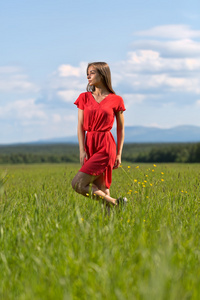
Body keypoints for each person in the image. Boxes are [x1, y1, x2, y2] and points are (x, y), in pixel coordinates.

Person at [71, 62, 127, 207]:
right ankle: (111, 222)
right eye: (87, 73)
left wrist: (119, 154)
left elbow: (120, 128)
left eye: (92, 72)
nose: (88, 76)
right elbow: (80, 126)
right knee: (102, 189)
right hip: (90, 143)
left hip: (106, 146)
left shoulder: (116, 99)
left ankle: (115, 204)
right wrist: (82, 150)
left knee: (78, 184)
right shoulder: (83, 97)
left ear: (103, 74)